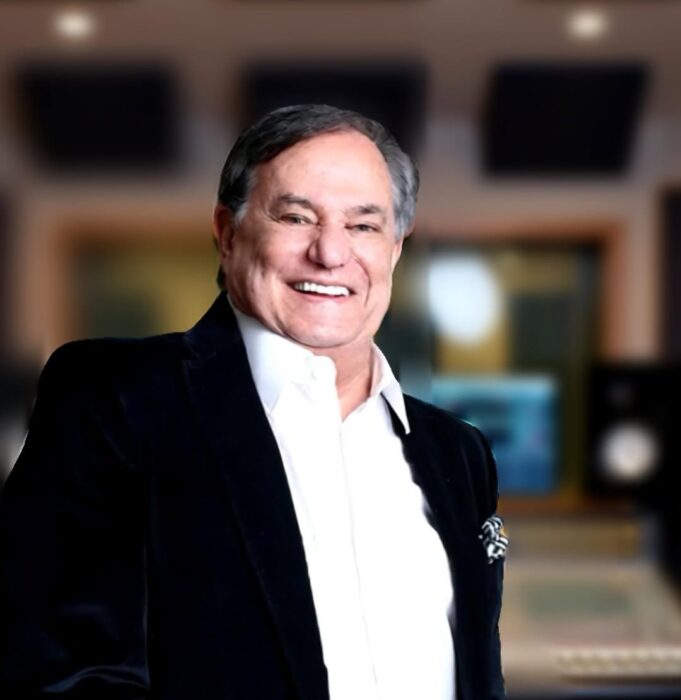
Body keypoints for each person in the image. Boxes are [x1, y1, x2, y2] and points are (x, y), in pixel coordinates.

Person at [0, 104, 507, 699]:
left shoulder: (459, 452)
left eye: (364, 226)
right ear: (227, 232)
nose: (331, 252)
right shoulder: (118, 399)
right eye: (296, 217)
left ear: (395, 247)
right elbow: (57, 672)